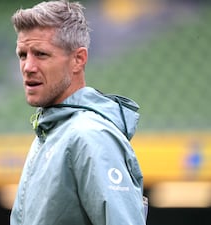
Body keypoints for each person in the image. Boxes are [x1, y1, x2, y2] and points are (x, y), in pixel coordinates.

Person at [10, 1, 147, 225]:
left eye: (41, 54)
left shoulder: (90, 136)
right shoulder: (51, 133)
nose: (28, 67)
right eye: (23, 55)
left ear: (78, 59)